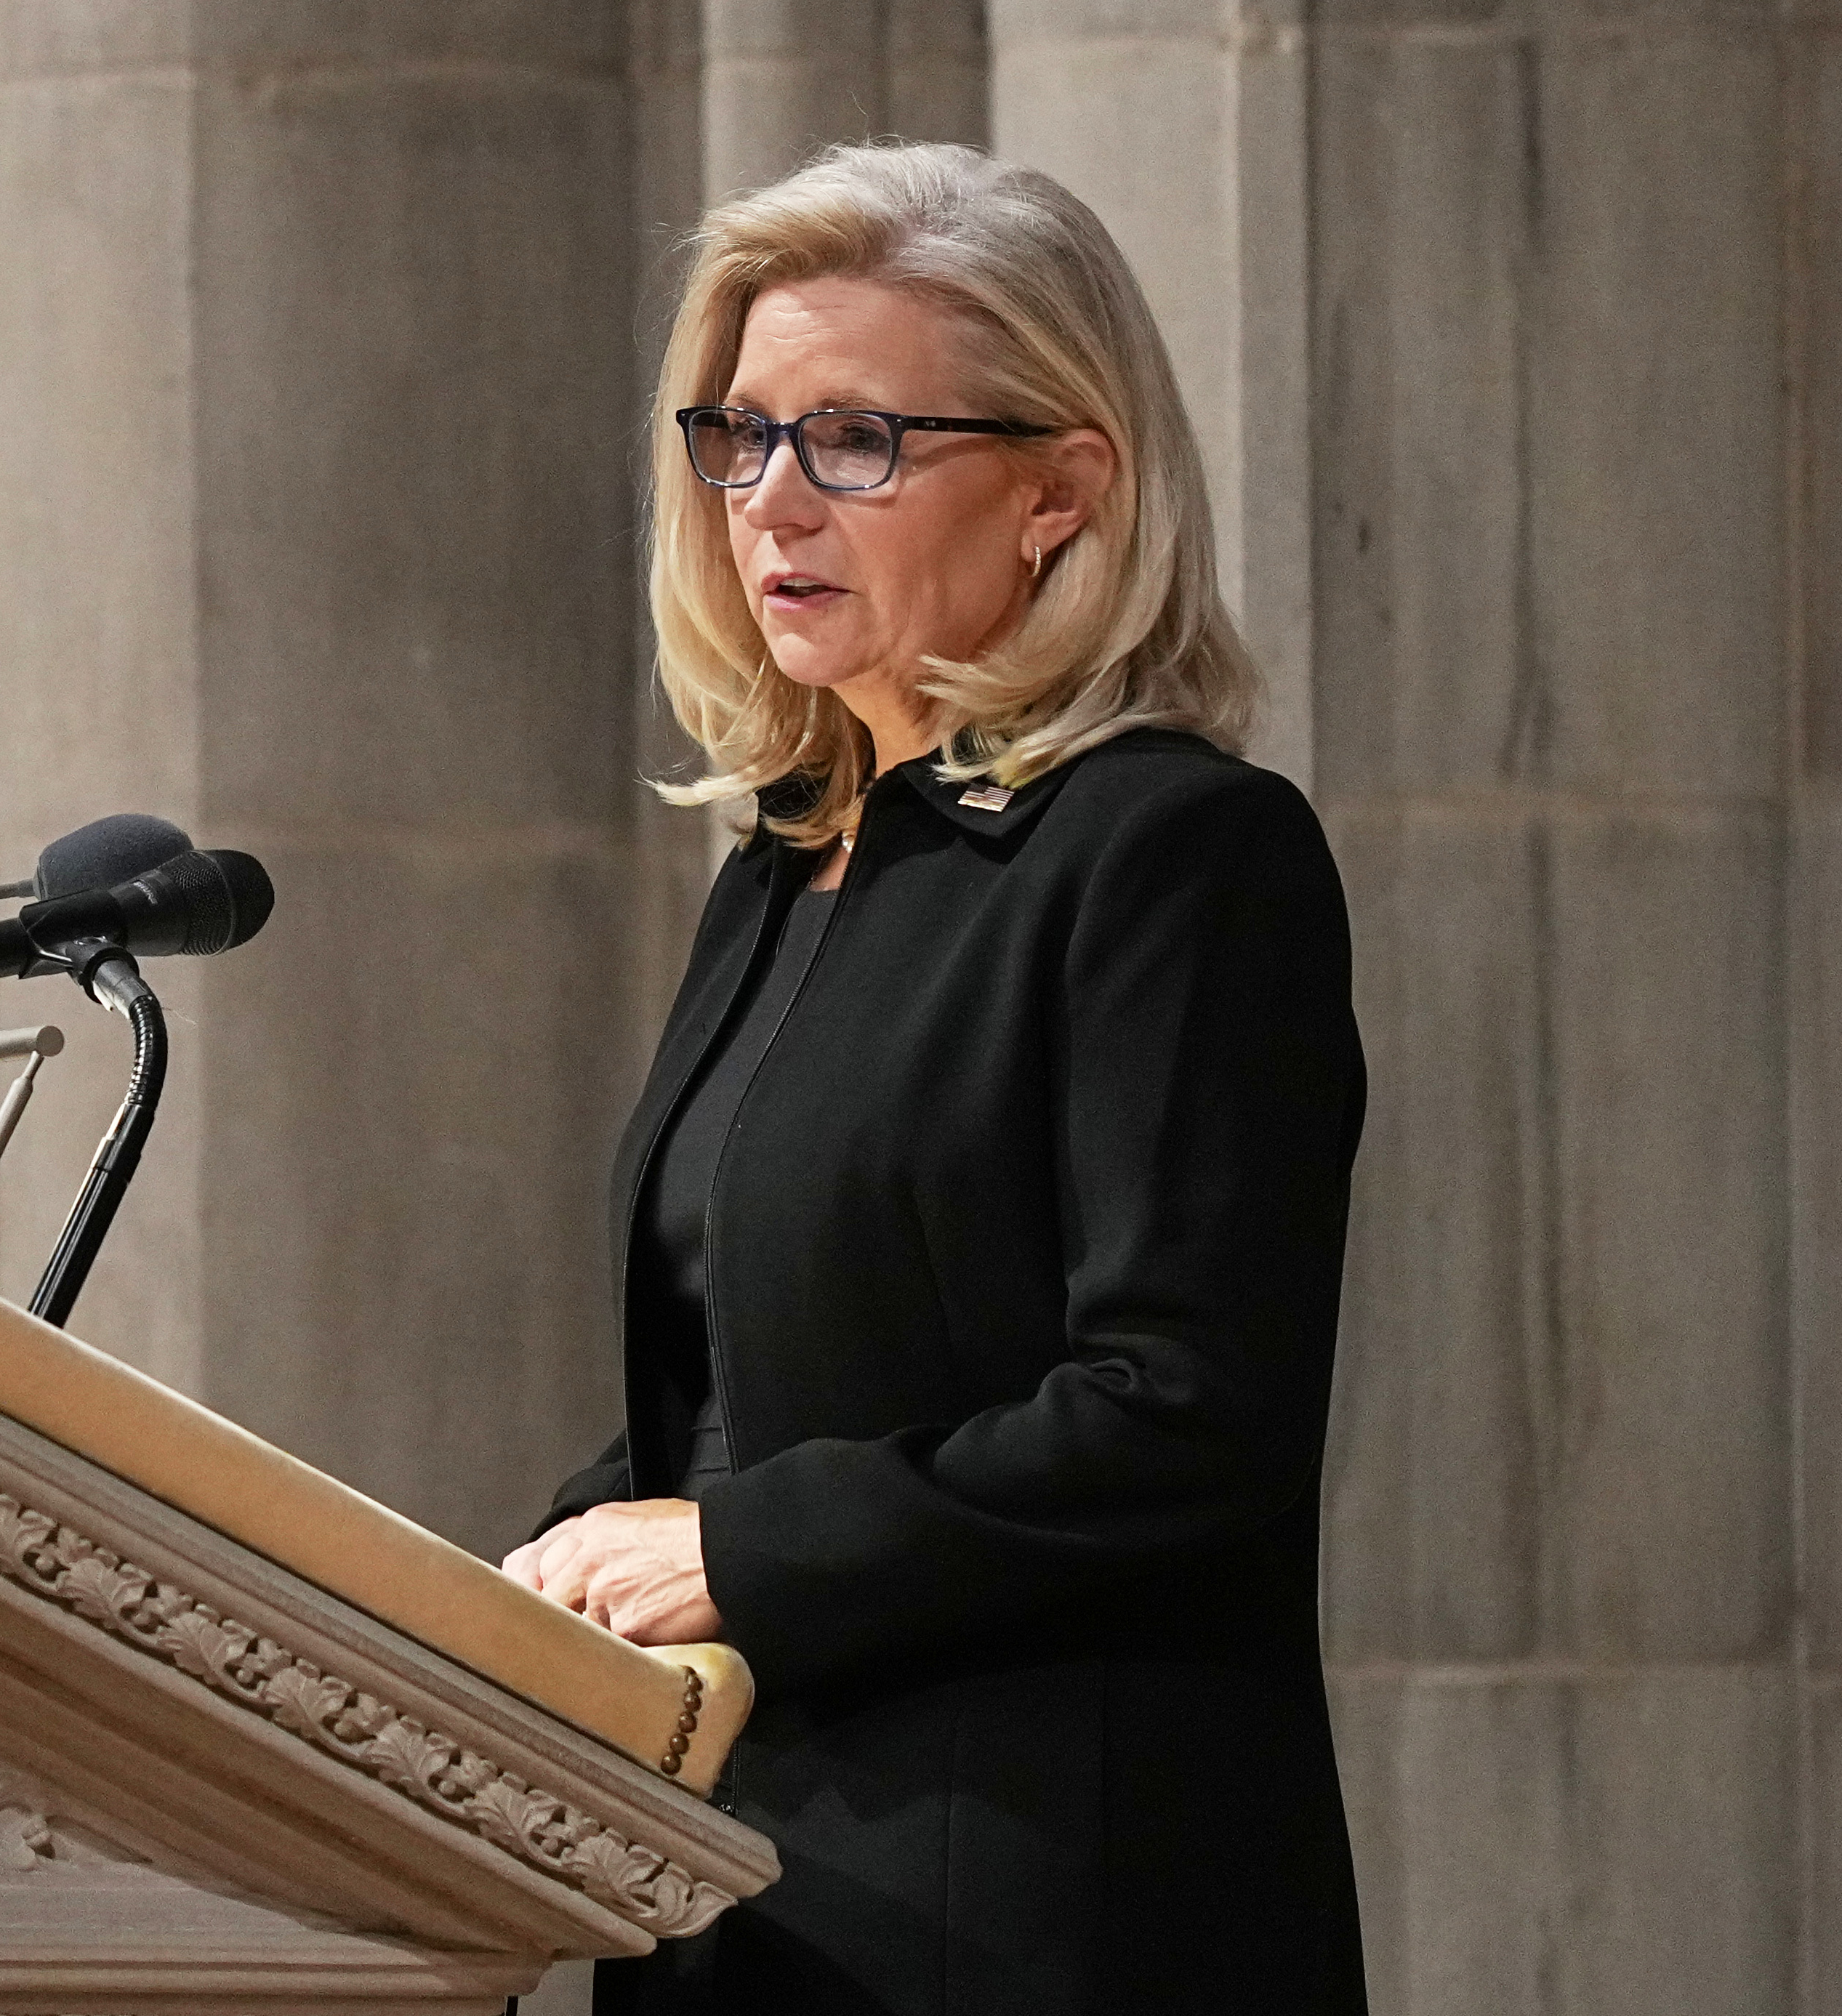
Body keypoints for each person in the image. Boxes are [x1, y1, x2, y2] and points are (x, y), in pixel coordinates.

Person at [497, 142, 1369, 2014]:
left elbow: (1182, 1409)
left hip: (1029, 1900)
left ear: (1062, 489)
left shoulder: (1171, 854)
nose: (769, 504)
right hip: (731, 1881)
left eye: (854, 442)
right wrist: (502, 1586)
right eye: (736, 438)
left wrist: (736, 1549)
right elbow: (741, 1393)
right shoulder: (787, 863)